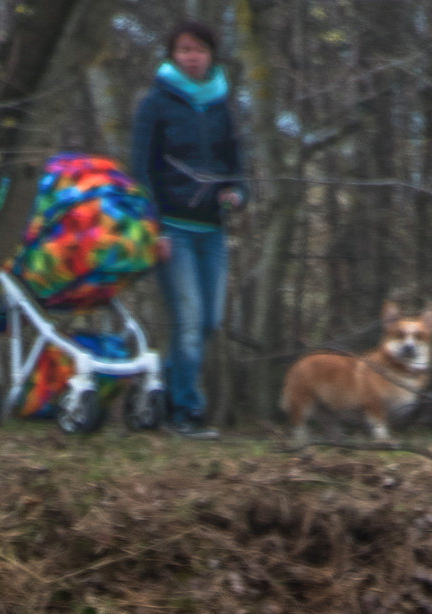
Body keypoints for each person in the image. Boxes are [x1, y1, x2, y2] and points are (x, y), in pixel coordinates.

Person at [131, 21, 245, 439]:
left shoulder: (221, 105)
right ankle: (186, 412)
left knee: (211, 321)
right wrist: (152, 227)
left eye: (198, 49)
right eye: (183, 50)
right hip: (172, 229)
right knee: (189, 319)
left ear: (211, 54)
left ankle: (160, 388)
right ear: (172, 56)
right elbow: (140, 169)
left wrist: (238, 192)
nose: (191, 56)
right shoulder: (156, 103)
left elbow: (237, 160)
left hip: (212, 230)